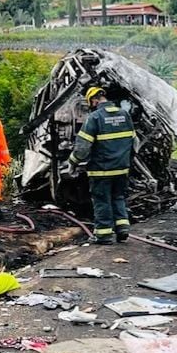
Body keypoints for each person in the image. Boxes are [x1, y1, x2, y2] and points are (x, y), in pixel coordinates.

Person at [64, 87, 135, 244]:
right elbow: (133, 143)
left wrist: (72, 163)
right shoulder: (124, 115)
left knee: (102, 200)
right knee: (118, 197)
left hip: (101, 170)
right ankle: (123, 229)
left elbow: (82, 147)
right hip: (122, 168)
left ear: (94, 101)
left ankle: (103, 235)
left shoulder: (94, 118)